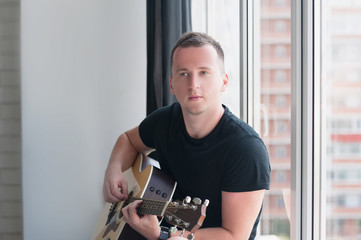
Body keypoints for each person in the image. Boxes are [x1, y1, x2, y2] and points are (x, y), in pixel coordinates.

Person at [102, 32, 271, 240]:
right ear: (172, 84)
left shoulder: (246, 149)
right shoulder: (165, 122)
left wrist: (161, 235)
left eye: (204, 73)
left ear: (224, 82)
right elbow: (128, 140)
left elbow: (235, 236)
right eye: (184, 74)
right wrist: (114, 169)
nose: (193, 84)